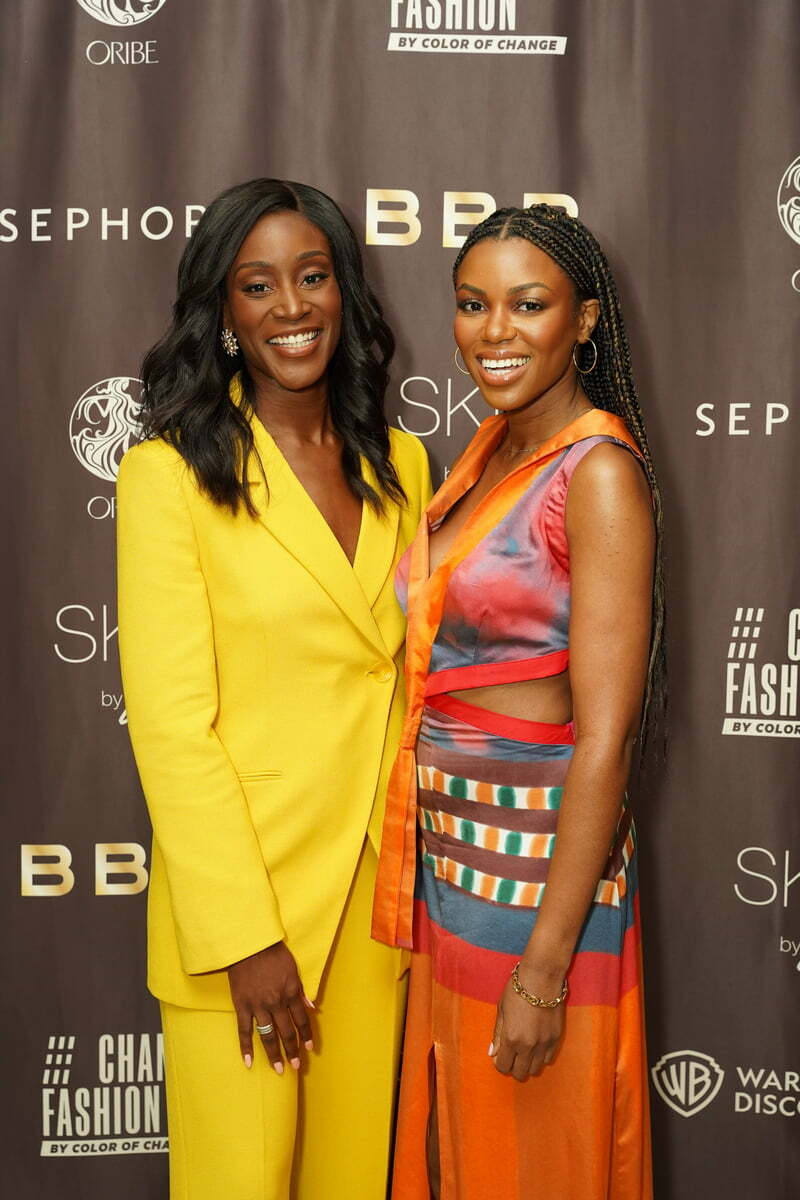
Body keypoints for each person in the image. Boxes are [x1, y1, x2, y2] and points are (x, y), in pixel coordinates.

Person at [116, 178, 431, 1200]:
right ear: (222, 314)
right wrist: (248, 940)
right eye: (258, 286)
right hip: (247, 929)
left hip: (375, 920)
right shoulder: (169, 477)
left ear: (346, 293)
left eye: (312, 276)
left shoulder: (403, 465)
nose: (291, 308)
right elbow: (171, 728)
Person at [373, 203, 662, 1199]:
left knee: (531, 1164)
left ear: (581, 320)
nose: (492, 332)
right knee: (464, 1159)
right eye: (470, 304)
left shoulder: (596, 473)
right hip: (453, 882)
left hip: (538, 897)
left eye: (526, 305)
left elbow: (606, 738)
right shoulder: (488, 448)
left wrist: (541, 971)